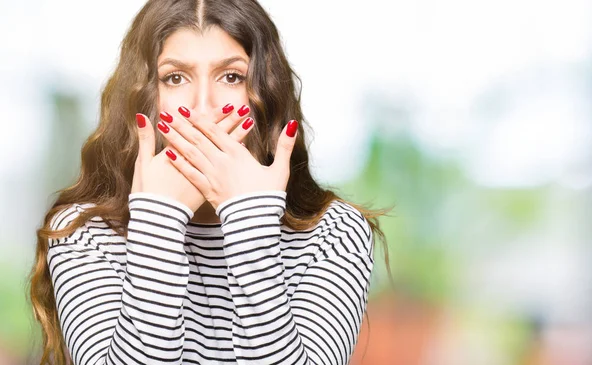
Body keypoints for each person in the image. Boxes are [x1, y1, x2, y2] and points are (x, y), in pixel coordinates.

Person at [29, 0, 392, 364]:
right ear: (143, 100)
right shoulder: (82, 233)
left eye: (232, 77)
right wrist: (158, 221)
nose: (203, 107)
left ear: (266, 94)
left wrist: (250, 221)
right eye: (175, 77)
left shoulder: (335, 233)